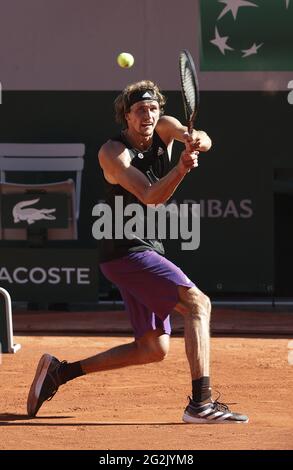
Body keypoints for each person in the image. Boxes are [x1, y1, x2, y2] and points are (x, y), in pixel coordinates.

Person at [27, 80, 248, 424]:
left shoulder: (164, 127)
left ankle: (60, 373)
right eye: (139, 110)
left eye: (153, 108)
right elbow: (149, 195)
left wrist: (195, 141)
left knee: (152, 348)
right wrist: (182, 167)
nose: (148, 114)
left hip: (145, 249)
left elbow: (203, 136)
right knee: (197, 303)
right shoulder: (112, 153)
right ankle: (200, 404)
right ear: (126, 117)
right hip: (125, 249)